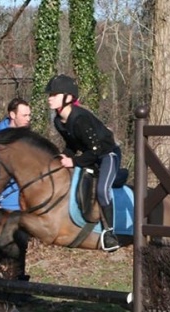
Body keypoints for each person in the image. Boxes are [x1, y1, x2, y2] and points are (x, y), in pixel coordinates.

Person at [45, 74, 121, 252]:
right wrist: (61, 158)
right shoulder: (58, 120)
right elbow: (72, 145)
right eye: (49, 95)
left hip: (107, 155)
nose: (49, 98)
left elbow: (95, 151)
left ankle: (110, 234)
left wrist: (73, 161)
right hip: (90, 155)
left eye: (54, 94)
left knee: (102, 190)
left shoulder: (80, 118)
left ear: (68, 98)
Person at [0, 98, 31, 210]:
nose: (28, 119)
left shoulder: (22, 131)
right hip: (10, 197)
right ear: (13, 115)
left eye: (29, 115)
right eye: (24, 115)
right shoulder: (0, 138)